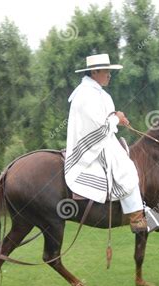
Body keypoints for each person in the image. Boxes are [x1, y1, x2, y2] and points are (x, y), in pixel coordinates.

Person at [64, 53, 147, 233]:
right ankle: (136, 218)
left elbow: (104, 120)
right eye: (106, 72)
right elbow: (98, 129)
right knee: (127, 168)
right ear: (95, 72)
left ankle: (138, 208)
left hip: (103, 139)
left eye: (110, 72)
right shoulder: (86, 95)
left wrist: (118, 118)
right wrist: (115, 119)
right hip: (93, 145)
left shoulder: (97, 93)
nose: (109, 75)